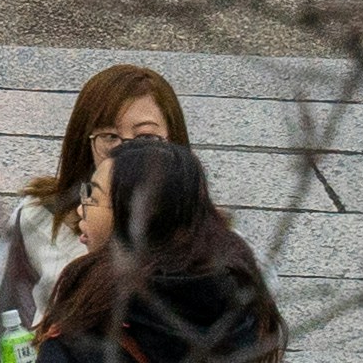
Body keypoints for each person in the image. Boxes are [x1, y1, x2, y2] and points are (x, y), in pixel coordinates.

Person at [0, 65, 193, 348]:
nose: (126, 154)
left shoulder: (206, 236)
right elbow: (8, 322)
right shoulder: (40, 217)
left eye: (146, 139)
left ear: (174, 142)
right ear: (86, 142)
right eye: (109, 137)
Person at [31, 135, 286, 363]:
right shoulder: (243, 311)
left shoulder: (87, 327)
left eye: (93, 197)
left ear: (136, 218)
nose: (80, 209)